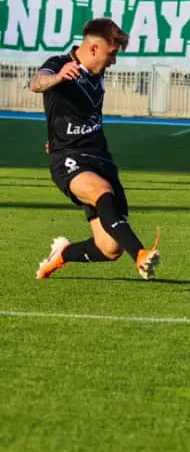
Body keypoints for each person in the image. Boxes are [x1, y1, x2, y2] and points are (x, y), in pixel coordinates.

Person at [31, 18, 161, 281]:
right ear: (92, 49)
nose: (113, 61)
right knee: (102, 192)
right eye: (111, 54)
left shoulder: (97, 71)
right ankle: (139, 254)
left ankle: (63, 254)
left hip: (100, 157)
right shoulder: (59, 64)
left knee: (110, 248)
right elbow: (36, 83)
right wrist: (57, 77)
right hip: (68, 159)